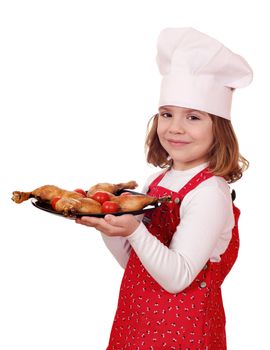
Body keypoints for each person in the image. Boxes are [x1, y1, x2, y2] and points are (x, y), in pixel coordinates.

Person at [76, 27, 253, 349]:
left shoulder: (210, 192)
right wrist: (108, 224)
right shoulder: (157, 181)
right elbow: (138, 265)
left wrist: (133, 230)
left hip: (185, 332)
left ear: (219, 128)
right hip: (136, 321)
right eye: (166, 114)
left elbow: (177, 278)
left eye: (194, 117)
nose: (175, 128)